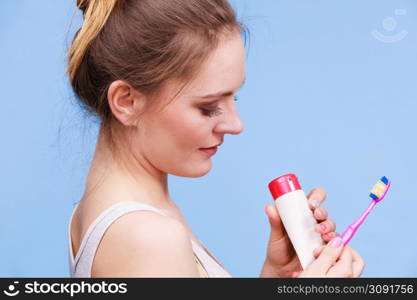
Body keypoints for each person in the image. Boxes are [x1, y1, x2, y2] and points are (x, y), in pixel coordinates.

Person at [67, 0, 364, 278]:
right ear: (127, 102)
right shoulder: (147, 236)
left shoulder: (116, 212)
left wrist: (276, 275)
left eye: (234, 97)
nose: (236, 125)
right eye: (208, 107)